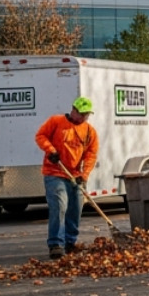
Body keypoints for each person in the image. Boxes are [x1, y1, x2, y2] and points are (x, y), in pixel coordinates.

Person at [34, 96, 99, 259]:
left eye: (87, 114)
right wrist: (51, 151)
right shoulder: (56, 122)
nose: (84, 117)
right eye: (82, 113)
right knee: (60, 206)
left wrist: (84, 176)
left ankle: (70, 242)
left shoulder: (89, 131)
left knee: (76, 208)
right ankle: (56, 244)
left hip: (75, 175)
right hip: (54, 172)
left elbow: (91, 154)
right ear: (73, 110)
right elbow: (40, 136)